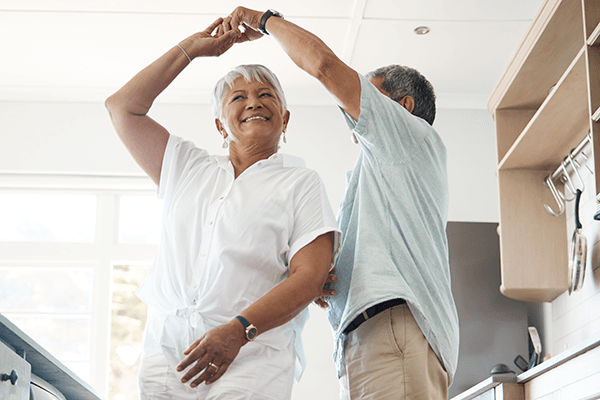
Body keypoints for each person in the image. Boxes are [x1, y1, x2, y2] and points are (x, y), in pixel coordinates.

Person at [226, 8, 460, 399]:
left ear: (401, 109)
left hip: (393, 330)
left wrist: (265, 20)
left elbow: (324, 66)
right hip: (375, 334)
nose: (351, 115)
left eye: (370, 97)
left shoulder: (409, 136)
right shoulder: (384, 171)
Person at [105, 18, 341, 400]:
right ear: (220, 125)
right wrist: (193, 49)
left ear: (285, 120)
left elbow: (310, 276)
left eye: (267, 95)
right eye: (238, 97)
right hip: (168, 356)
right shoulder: (185, 166)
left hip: (253, 358)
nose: (253, 102)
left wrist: (238, 330)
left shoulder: (301, 183)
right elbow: (122, 107)